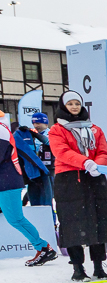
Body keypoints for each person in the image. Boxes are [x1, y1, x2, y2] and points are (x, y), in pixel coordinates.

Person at [49, 91, 107, 281]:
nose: (74, 107)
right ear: (63, 106)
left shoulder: (95, 129)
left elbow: (104, 151)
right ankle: (78, 268)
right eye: (70, 104)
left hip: (94, 178)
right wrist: (85, 162)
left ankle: (98, 266)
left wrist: (98, 165)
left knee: (98, 220)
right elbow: (61, 151)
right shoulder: (56, 129)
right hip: (69, 180)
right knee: (72, 223)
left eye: (77, 103)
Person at [0, 112, 58, 266]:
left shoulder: (1, 131)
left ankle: (43, 247)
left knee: (15, 219)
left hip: (7, 183)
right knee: (15, 219)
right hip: (6, 181)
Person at [14, 116, 53, 208]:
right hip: (35, 170)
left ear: (46, 124)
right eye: (34, 123)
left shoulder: (50, 134)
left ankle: (50, 216)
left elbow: (51, 144)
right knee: (35, 196)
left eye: (38, 123)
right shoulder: (29, 135)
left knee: (47, 197)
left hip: (48, 170)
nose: (36, 125)